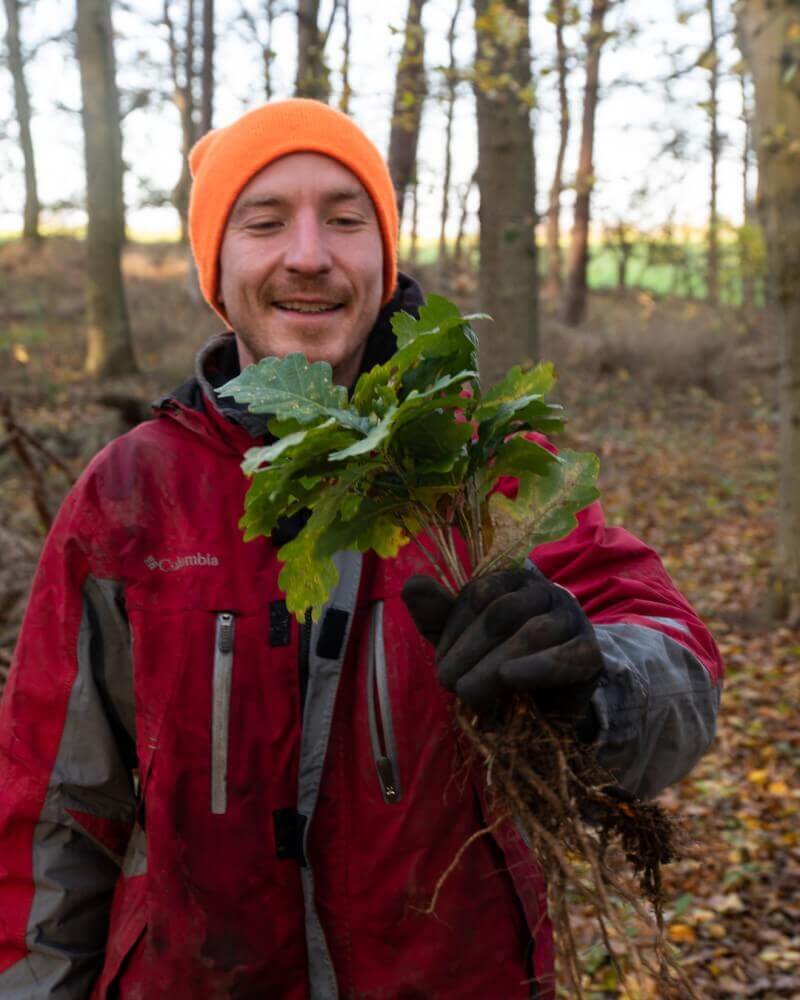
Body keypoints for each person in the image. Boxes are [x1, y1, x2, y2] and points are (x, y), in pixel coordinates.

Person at [0, 99, 723, 1000]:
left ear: (384, 258)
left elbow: (679, 667)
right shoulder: (129, 496)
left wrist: (596, 680)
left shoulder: (481, 465)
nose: (309, 254)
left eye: (346, 219)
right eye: (264, 222)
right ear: (216, 271)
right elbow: (57, 814)